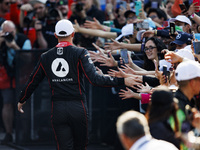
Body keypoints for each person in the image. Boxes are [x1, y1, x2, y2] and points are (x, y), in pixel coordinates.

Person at [17, 19, 140, 150]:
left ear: (55, 36)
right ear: (73, 34)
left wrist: (22, 99)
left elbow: (33, 80)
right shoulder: (80, 52)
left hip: (58, 108)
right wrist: (123, 81)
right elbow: (95, 80)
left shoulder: (46, 56)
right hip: (77, 106)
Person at [0, 20, 31, 144]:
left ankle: (25, 134)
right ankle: (8, 133)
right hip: (7, 75)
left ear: (15, 31)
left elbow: (29, 58)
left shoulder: (23, 39)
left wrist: (15, 47)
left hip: (22, 75)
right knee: (7, 104)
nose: (9, 35)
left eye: (11, 32)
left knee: (23, 105)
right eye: (6, 32)